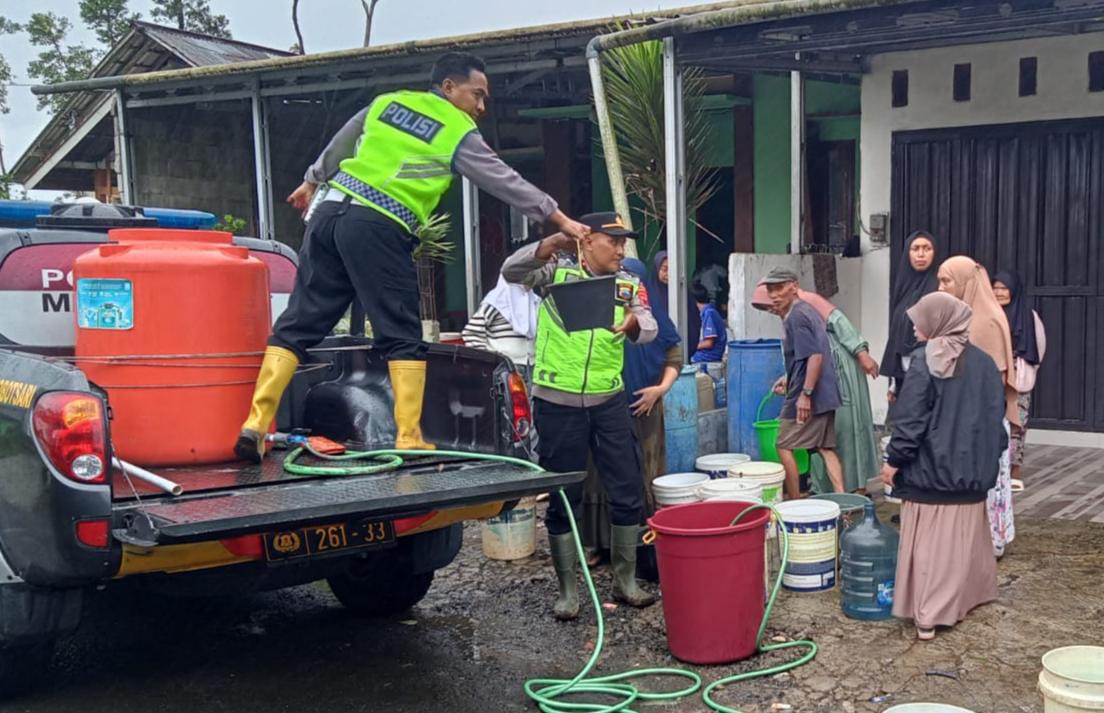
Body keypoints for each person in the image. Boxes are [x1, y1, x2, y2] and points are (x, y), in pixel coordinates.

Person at [234, 52, 590, 462]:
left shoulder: (387, 103)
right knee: (400, 331)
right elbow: (504, 180)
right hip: (379, 223)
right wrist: (559, 218)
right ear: (448, 87)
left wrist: (311, 180)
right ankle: (408, 436)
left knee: (300, 321)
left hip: (329, 215)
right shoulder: (457, 130)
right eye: (477, 94)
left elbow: (341, 143)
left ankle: (256, 425)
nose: (481, 106)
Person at [502, 212, 657, 619]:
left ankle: (625, 582)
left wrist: (634, 322)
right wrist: (552, 242)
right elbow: (512, 270)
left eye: (624, 242)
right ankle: (568, 591)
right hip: (558, 402)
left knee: (627, 490)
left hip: (609, 401)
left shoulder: (630, 283)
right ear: (587, 241)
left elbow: (651, 326)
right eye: (614, 241)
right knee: (562, 497)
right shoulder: (555, 275)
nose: (622, 250)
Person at [881, 291, 1006, 641]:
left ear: (939, 323)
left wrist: (893, 461)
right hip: (972, 474)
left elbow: (911, 419)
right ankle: (966, 600)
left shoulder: (928, 359)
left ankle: (929, 615)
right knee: (962, 546)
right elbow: (995, 420)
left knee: (932, 551)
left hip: (934, 473)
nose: (917, 330)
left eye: (922, 323)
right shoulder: (984, 361)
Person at [581, 257, 681, 564]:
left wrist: (659, 390)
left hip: (644, 408)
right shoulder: (597, 315)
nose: (625, 287)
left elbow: (674, 356)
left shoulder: (653, 317)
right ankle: (600, 544)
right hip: (602, 405)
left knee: (643, 473)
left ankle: (642, 543)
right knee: (599, 474)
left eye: (632, 281)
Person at [752, 284, 880, 494]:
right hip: (819, 377)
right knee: (824, 442)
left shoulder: (806, 301)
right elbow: (804, 355)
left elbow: (837, 324)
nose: (772, 309)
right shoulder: (791, 314)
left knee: (846, 430)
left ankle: (855, 489)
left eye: (771, 303)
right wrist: (790, 378)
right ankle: (831, 491)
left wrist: (861, 352)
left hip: (838, 372)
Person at [936, 256, 1017, 557]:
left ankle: (992, 541)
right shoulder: (958, 317)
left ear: (966, 283)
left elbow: (992, 384)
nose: (941, 287)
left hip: (984, 419)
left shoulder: (986, 321)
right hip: (964, 417)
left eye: (947, 281)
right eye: (940, 280)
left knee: (989, 480)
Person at [761, 268, 845, 497]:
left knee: (783, 444)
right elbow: (807, 356)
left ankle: (795, 501)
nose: (774, 295)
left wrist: (805, 394)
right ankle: (844, 500)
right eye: (770, 290)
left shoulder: (797, 315)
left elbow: (815, 356)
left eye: (779, 288)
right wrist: (789, 378)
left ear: (794, 286)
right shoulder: (807, 311)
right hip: (825, 391)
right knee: (824, 447)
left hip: (811, 394)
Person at [991, 270, 1047, 491]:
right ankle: (993, 467)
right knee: (991, 421)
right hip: (992, 376)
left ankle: (1014, 470)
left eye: (1004, 288)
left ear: (1013, 290)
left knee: (1017, 423)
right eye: (995, 288)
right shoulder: (988, 314)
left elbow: (1039, 347)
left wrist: (1024, 369)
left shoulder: (1029, 315)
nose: (999, 293)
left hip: (1019, 376)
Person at [880, 231, 939, 404]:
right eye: (915, 249)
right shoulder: (903, 285)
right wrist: (893, 383)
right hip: (904, 372)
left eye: (927, 249)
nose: (921, 254)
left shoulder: (940, 285)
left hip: (931, 371)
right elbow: (896, 334)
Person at [461, 274, 541, 380]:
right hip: (505, 367)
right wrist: (486, 359)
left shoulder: (535, 302)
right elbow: (472, 332)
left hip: (532, 366)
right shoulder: (496, 301)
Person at [690, 281, 728, 365]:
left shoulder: (709, 313)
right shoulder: (707, 312)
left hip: (708, 357)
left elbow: (708, 343)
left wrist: (690, 346)